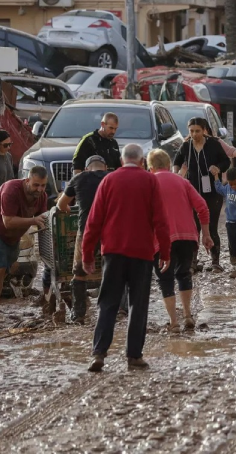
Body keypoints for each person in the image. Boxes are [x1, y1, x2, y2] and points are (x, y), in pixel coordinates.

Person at [83, 144, 170, 372]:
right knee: (137, 305)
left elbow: (93, 221)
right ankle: (133, 356)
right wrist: (165, 252)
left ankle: (99, 354)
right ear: (142, 162)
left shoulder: (109, 181)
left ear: (122, 161)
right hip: (141, 253)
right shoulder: (150, 181)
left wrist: (87, 254)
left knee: (108, 303)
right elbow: (160, 220)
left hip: (112, 252)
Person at [146, 149, 210, 332]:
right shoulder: (183, 182)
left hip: (161, 240)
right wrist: (206, 234)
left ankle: (174, 322)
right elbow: (202, 207)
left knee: (165, 279)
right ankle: (188, 315)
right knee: (183, 274)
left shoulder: (149, 184)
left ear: (151, 168)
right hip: (187, 237)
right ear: (168, 165)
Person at [0, 168, 49, 315]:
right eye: (36, 185)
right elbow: (8, 221)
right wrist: (33, 220)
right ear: (27, 181)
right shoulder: (11, 189)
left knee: (2, 271)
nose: (39, 189)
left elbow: (43, 220)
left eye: (43, 185)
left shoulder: (42, 196)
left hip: (12, 237)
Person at [56, 155, 110, 323]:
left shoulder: (78, 178)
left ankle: (79, 314)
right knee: (114, 268)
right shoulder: (111, 177)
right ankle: (119, 310)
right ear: (105, 167)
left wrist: (67, 209)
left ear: (87, 168)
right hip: (110, 230)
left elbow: (60, 205)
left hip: (87, 229)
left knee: (79, 271)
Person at [173, 117, 230, 270]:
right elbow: (176, 161)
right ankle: (193, 261)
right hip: (192, 192)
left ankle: (215, 261)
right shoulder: (186, 146)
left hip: (212, 191)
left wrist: (218, 168)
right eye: (191, 131)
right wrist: (176, 173)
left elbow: (226, 161)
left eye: (198, 131)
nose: (194, 134)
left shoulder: (214, 144)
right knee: (193, 228)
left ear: (204, 130)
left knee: (211, 226)